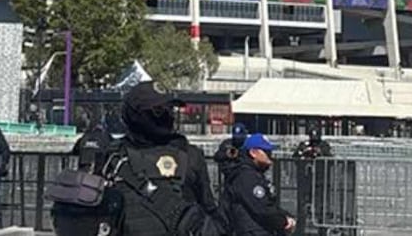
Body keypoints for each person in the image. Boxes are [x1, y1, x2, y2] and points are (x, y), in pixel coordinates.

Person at [104, 81, 225, 235]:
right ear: (135, 115)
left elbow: (208, 211)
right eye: (159, 111)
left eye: (170, 109)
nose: (168, 115)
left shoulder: (191, 155)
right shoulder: (113, 155)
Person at [222, 133, 296, 235]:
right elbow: (261, 209)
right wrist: (283, 222)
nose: (270, 155)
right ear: (253, 153)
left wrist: (285, 216)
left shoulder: (254, 174)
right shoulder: (246, 176)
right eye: (266, 151)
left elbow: (267, 204)